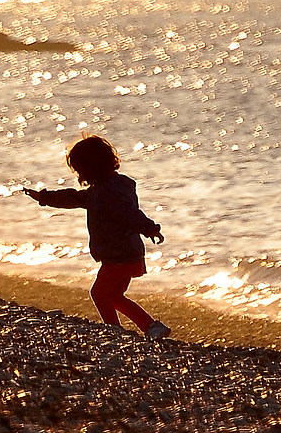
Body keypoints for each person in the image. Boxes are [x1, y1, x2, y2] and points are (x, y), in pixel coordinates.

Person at [22, 135, 170, 338]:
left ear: (91, 167)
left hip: (119, 255)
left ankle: (117, 330)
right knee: (114, 296)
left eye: (80, 170)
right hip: (125, 253)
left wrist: (149, 227)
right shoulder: (102, 190)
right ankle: (148, 326)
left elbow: (128, 213)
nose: (80, 175)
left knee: (99, 293)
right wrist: (44, 197)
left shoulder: (106, 192)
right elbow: (72, 197)